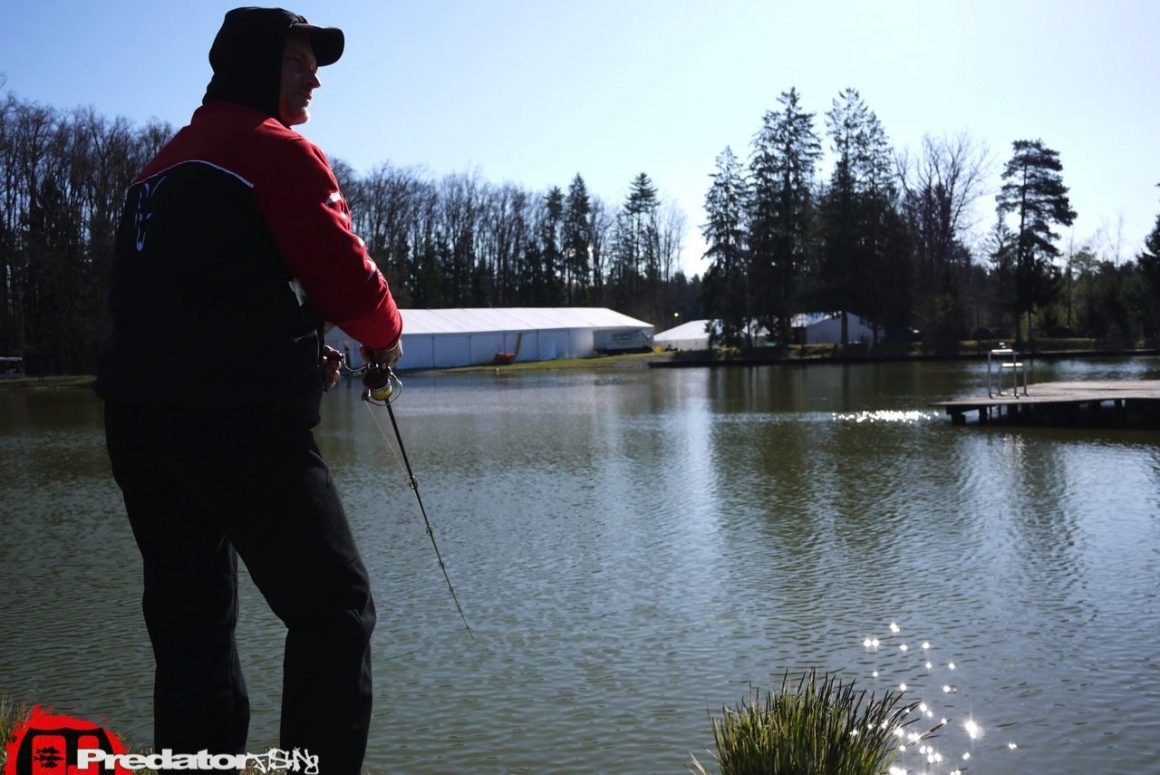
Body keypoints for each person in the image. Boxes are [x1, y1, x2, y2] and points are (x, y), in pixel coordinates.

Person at [94, 8, 402, 773]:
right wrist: (385, 339)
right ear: (256, 66)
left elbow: (196, 307)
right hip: (233, 427)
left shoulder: (156, 168)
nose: (315, 77)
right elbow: (353, 287)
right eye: (299, 61)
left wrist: (295, 355)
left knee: (192, 630)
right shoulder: (273, 150)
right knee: (336, 608)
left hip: (138, 427)